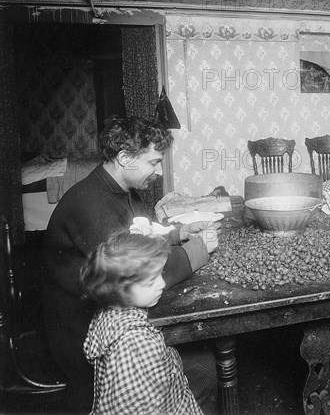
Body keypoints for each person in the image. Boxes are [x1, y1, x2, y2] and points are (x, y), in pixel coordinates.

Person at [42, 116, 220, 413]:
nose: (160, 171)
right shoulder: (88, 204)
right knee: (204, 368)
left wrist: (179, 234)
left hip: (113, 316)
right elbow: (137, 270)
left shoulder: (121, 192)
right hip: (84, 334)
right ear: (125, 158)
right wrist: (198, 250)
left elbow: (140, 234)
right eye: (153, 162)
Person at [80, 232, 203, 414]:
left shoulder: (113, 310)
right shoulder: (135, 344)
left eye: (160, 274)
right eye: (150, 282)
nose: (162, 284)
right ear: (119, 290)